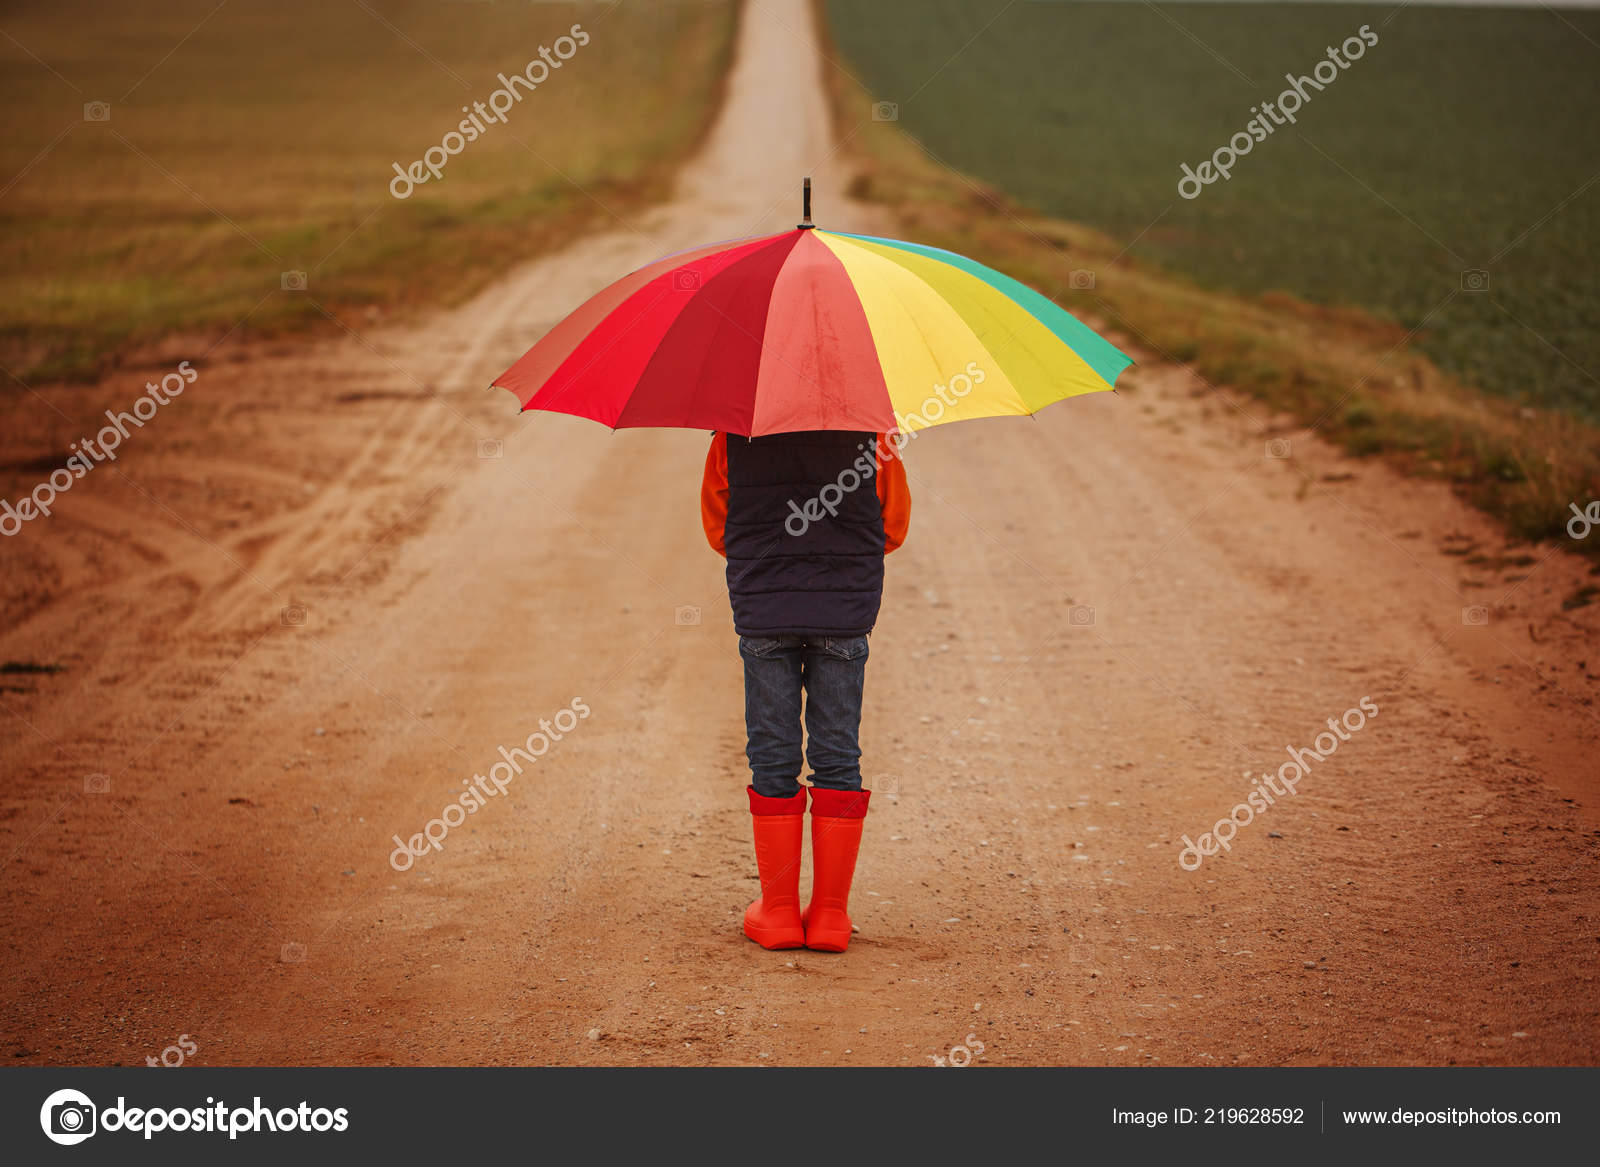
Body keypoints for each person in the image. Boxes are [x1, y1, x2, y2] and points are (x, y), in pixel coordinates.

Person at [701, 429, 910, 952]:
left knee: (772, 751)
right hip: (842, 617)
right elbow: (894, 527)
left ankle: (776, 913)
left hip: (764, 612)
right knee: (838, 750)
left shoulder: (731, 438)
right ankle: (831, 917)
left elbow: (718, 530)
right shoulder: (875, 436)